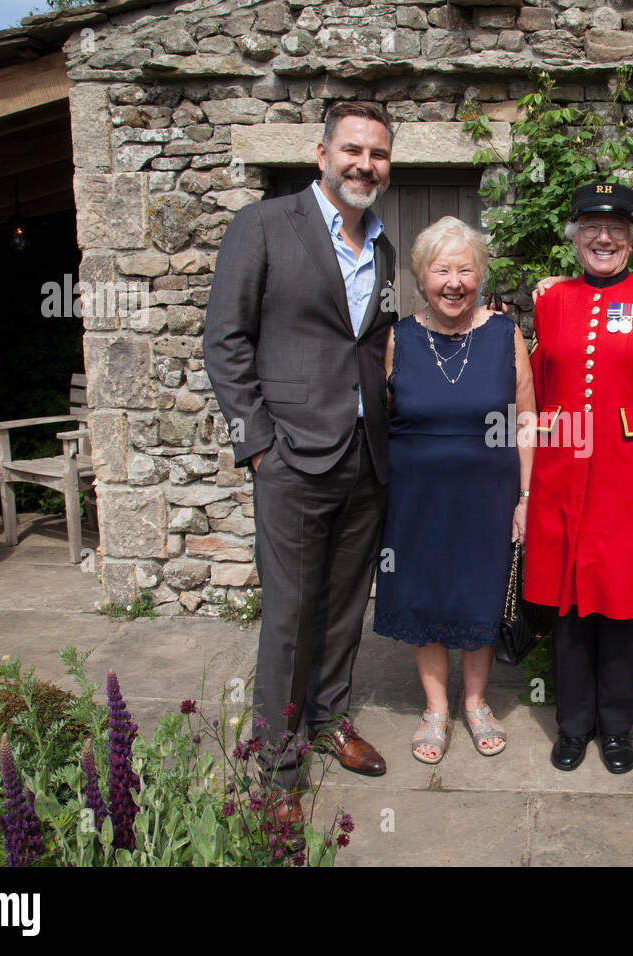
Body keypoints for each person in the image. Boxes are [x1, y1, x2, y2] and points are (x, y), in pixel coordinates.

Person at [204, 101, 398, 821]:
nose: (364, 164)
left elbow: (370, 340)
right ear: (321, 154)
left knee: (347, 603)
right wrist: (256, 443)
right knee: (289, 612)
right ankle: (278, 767)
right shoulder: (263, 225)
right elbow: (224, 338)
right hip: (289, 455)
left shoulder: (379, 244)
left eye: (377, 154)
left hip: (364, 454)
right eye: (352, 150)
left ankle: (329, 719)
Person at [373, 216, 535, 764]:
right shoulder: (399, 337)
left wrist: (526, 498)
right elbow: (387, 414)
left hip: (488, 497)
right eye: (441, 269)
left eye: (465, 269)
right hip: (417, 500)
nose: (453, 281)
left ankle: (476, 703)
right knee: (425, 596)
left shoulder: (504, 333)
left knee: (479, 594)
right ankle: (436, 708)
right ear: (421, 277)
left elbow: (528, 420)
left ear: (480, 275)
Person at [525, 183, 633, 774]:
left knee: (621, 605)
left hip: (626, 476)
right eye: (590, 227)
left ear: (632, 237)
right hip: (560, 473)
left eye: (616, 229)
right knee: (569, 605)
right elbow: (533, 385)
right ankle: (572, 725)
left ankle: (618, 727)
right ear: (574, 235)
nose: (602, 238)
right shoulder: (550, 300)